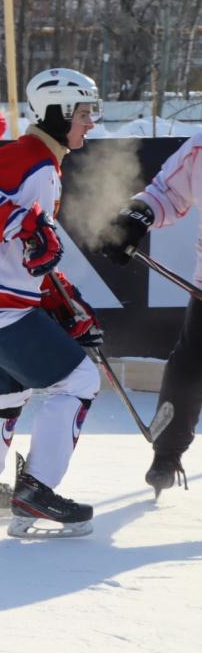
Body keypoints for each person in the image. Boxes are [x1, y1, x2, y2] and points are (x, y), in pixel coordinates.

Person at [0, 68, 104, 538]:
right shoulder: (29, 158)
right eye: (85, 113)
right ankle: (37, 492)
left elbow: (28, 252)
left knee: (5, 394)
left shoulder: (39, 161)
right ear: (57, 113)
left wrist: (66, 301)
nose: (92, 122)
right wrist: (27, 224)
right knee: (78, 380)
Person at [100, 132, 202, 497]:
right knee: (188, 368)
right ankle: (167, 453)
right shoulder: (200, 147)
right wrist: (135, 217)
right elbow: (166, 193)